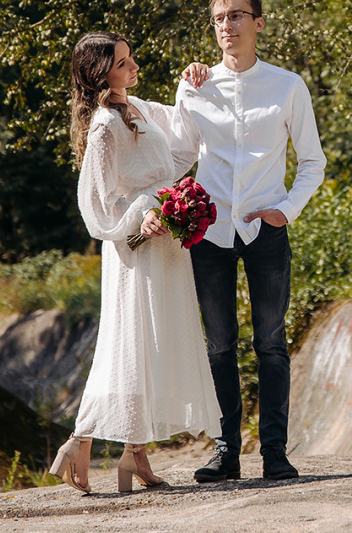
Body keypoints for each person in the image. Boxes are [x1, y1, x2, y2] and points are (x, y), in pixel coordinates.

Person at [48, 32, 222, 493]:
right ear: (100, 74)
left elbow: (181, 148)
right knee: (129, 343)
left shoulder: (139, 107)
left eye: (130, 58)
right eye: (123, 63)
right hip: (137, 247)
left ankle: (133, 454)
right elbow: (97, 200)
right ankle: (81, 440)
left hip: (165, 244)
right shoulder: (105, 124)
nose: (134, 67)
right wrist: (140, 215)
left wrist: (193, 82)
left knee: (151, 345)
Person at [177, 0, 325, 482]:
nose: (227, 26)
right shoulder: (195, 86)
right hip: (210, 232)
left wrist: (287, 210)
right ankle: (226, 453)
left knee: (270, 342)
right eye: (219, 18)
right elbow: (178, 156)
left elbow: (312, 162)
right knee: (219, 344)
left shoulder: (287, 86)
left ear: (258, 24)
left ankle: (275, 453)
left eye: (237, 16)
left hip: (266, 229)